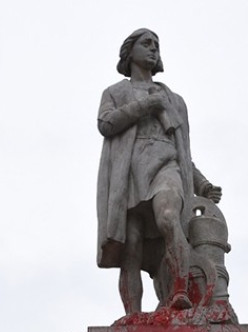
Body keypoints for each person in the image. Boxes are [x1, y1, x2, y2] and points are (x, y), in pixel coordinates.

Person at [95, 28, 223, 316]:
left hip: (167, 167)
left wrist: (201, 185)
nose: (153, 49)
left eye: (157, 45)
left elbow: (182, 150)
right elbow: (106, 124)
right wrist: (146, 105)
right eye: (146, 44)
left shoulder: (173, 100)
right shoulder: (115, 93)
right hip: (128, 174)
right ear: (130, 52)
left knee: (168, 217)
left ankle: (179, 292)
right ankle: (133, 317)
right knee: (132, 247)